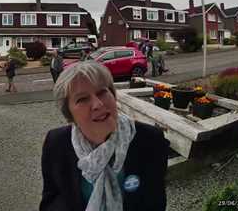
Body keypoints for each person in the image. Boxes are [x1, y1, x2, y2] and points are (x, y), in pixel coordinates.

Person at [40, 61, 169, 211]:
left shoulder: (150, 140)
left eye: (102, 92)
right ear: (69, 115)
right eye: (82, 99)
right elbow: (51, 199)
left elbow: (155, 203)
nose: (98, 104)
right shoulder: (56, 143)